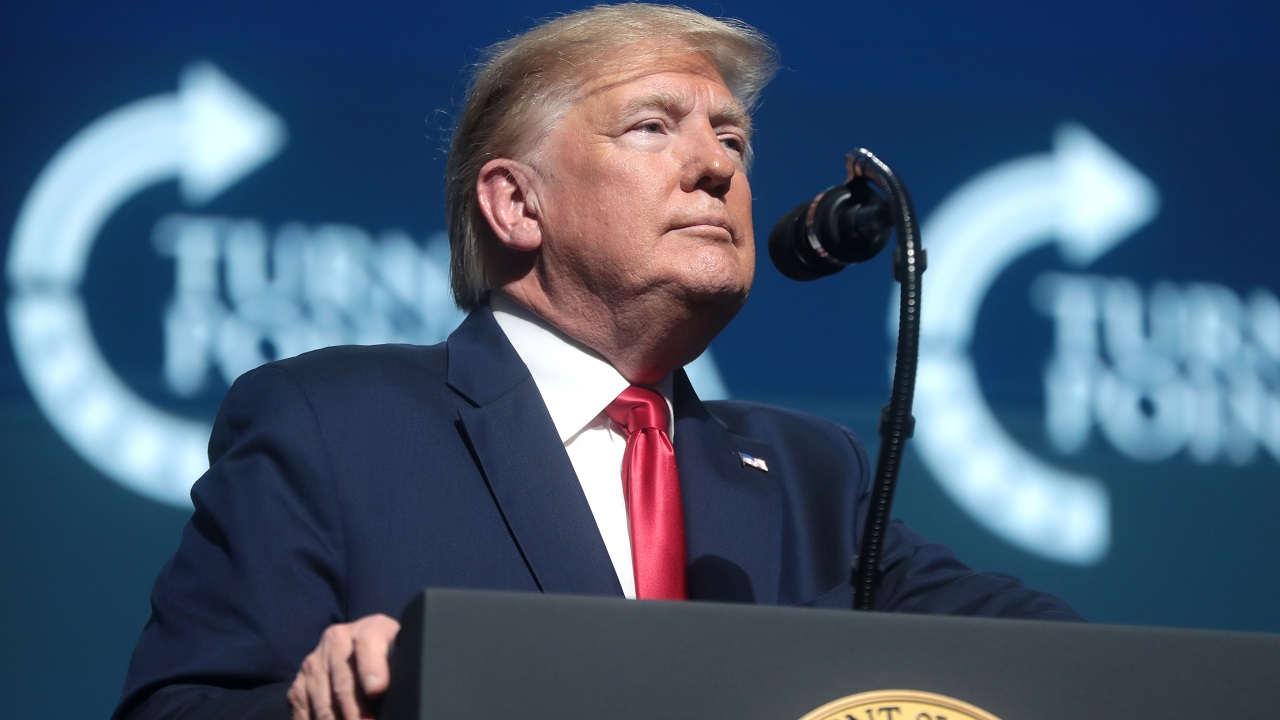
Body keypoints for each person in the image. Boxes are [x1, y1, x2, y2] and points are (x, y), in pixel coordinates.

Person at [114, 5, 1080, 720]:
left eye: (733, 139)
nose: (720, 167)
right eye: (654, 127)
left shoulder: (808, 474)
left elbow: (1067, 664)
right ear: (516, 205)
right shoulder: (328, 421)